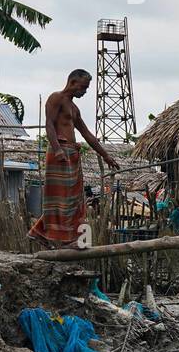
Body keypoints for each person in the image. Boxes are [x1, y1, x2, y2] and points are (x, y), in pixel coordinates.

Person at [29, 69, 119, 248]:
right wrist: (57, 150)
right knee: (59, 197)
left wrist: (106, 155)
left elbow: (87, 134)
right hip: (60, 152)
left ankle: (45, 234)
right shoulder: (56, 98)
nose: (84, 92)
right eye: (83, 87)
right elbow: (49, 124)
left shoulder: (74, 108)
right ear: (72, 82)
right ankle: (51, 235)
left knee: (74, 198)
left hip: (72, 154)